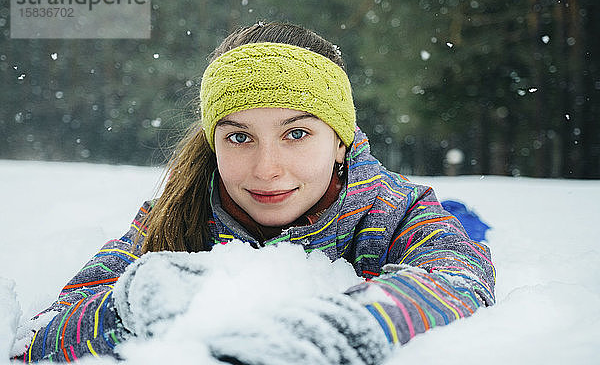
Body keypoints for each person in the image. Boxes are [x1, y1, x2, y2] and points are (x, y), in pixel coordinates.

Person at [16, 22, 495, 364]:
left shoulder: (395, 208)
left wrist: (327, 331)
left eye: (297, 133)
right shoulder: (172, 214)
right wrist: (134, 308)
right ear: (214, 143)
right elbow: (41, 336)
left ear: (340, 140)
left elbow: (459, 276)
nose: (267, 169)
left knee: (466, 226)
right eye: (240, 137)